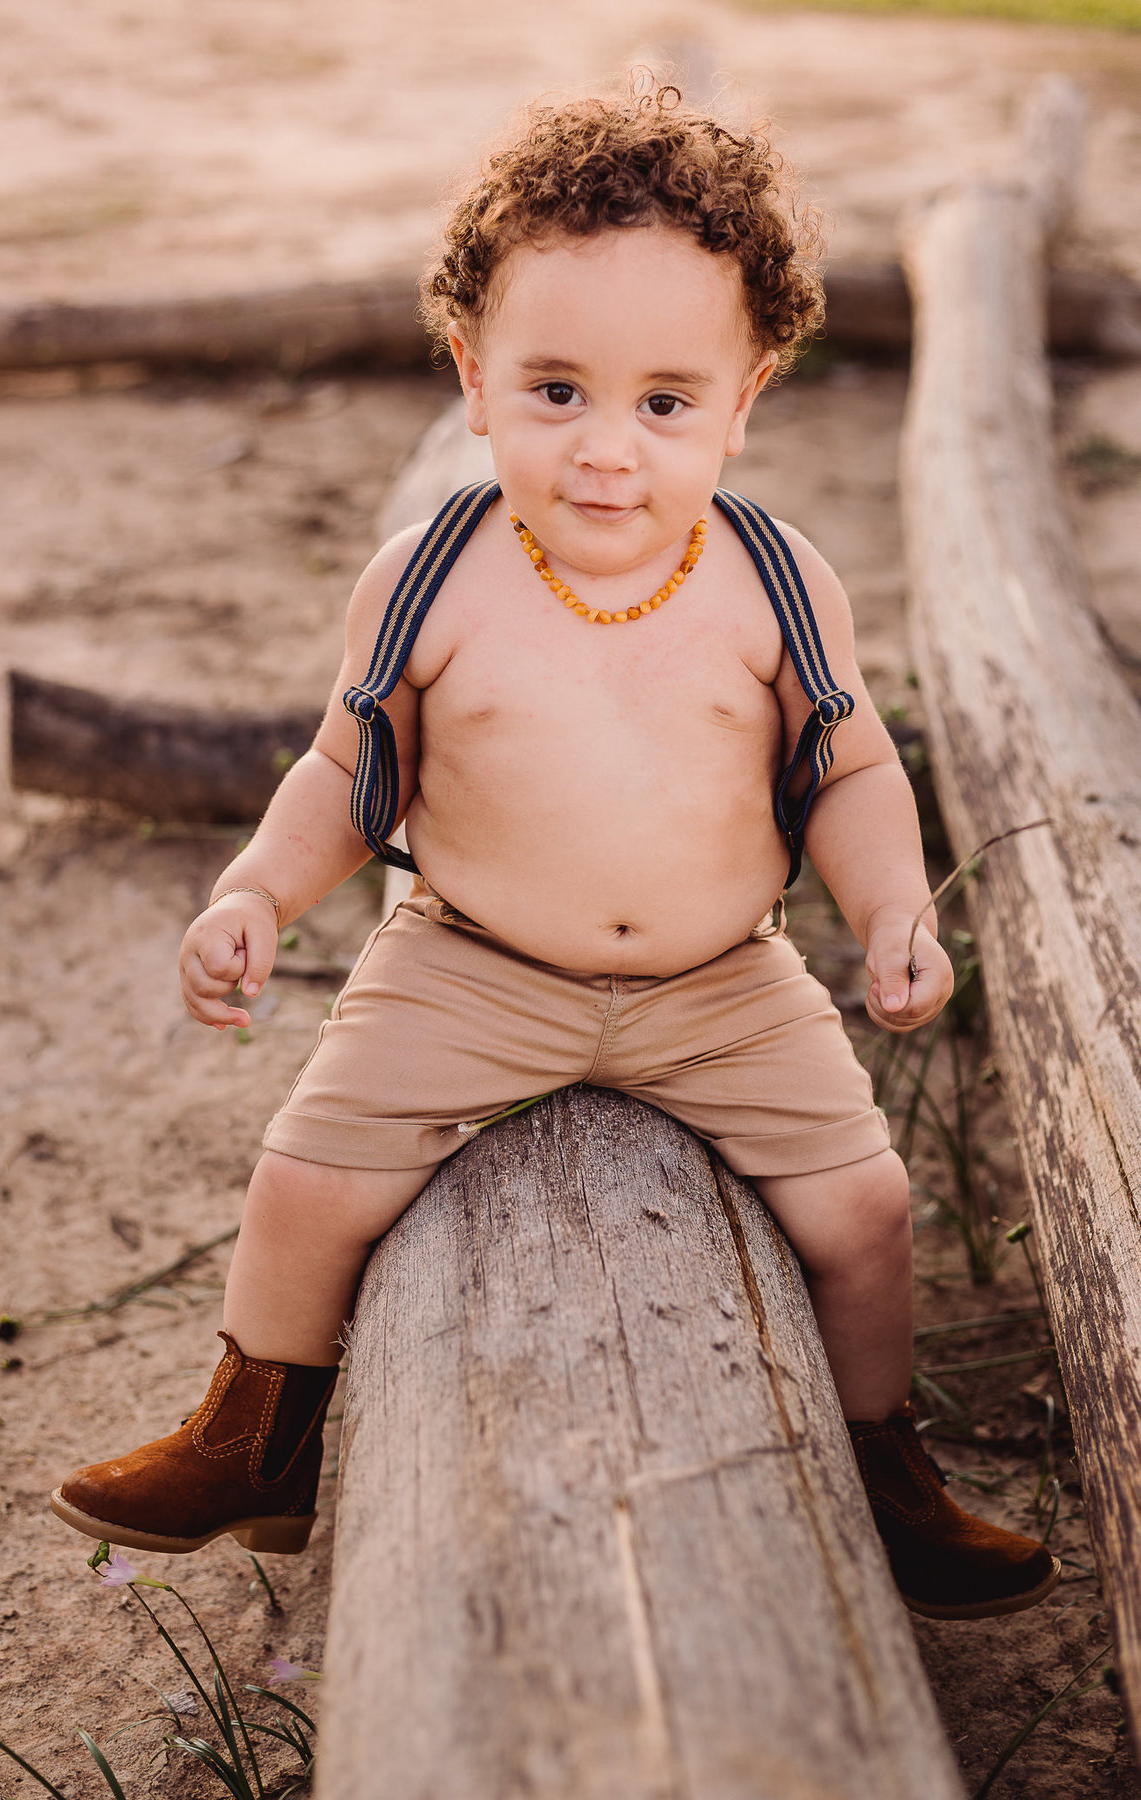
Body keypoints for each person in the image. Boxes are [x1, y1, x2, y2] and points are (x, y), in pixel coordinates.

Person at [52, 89, 1058, 1620]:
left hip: (724, 978)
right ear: (472, 377)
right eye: (556, 391)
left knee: (867, 1211)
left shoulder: (777, 583)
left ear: (747, 396)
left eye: (665, 402)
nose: (605, 451)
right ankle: (256, 1434)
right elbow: (348, 762)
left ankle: (880, 1469)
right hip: (473, 961)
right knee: (308, 1174)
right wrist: (255, 889)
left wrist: (892, 907)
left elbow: (850, 765)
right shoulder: (433, 576)